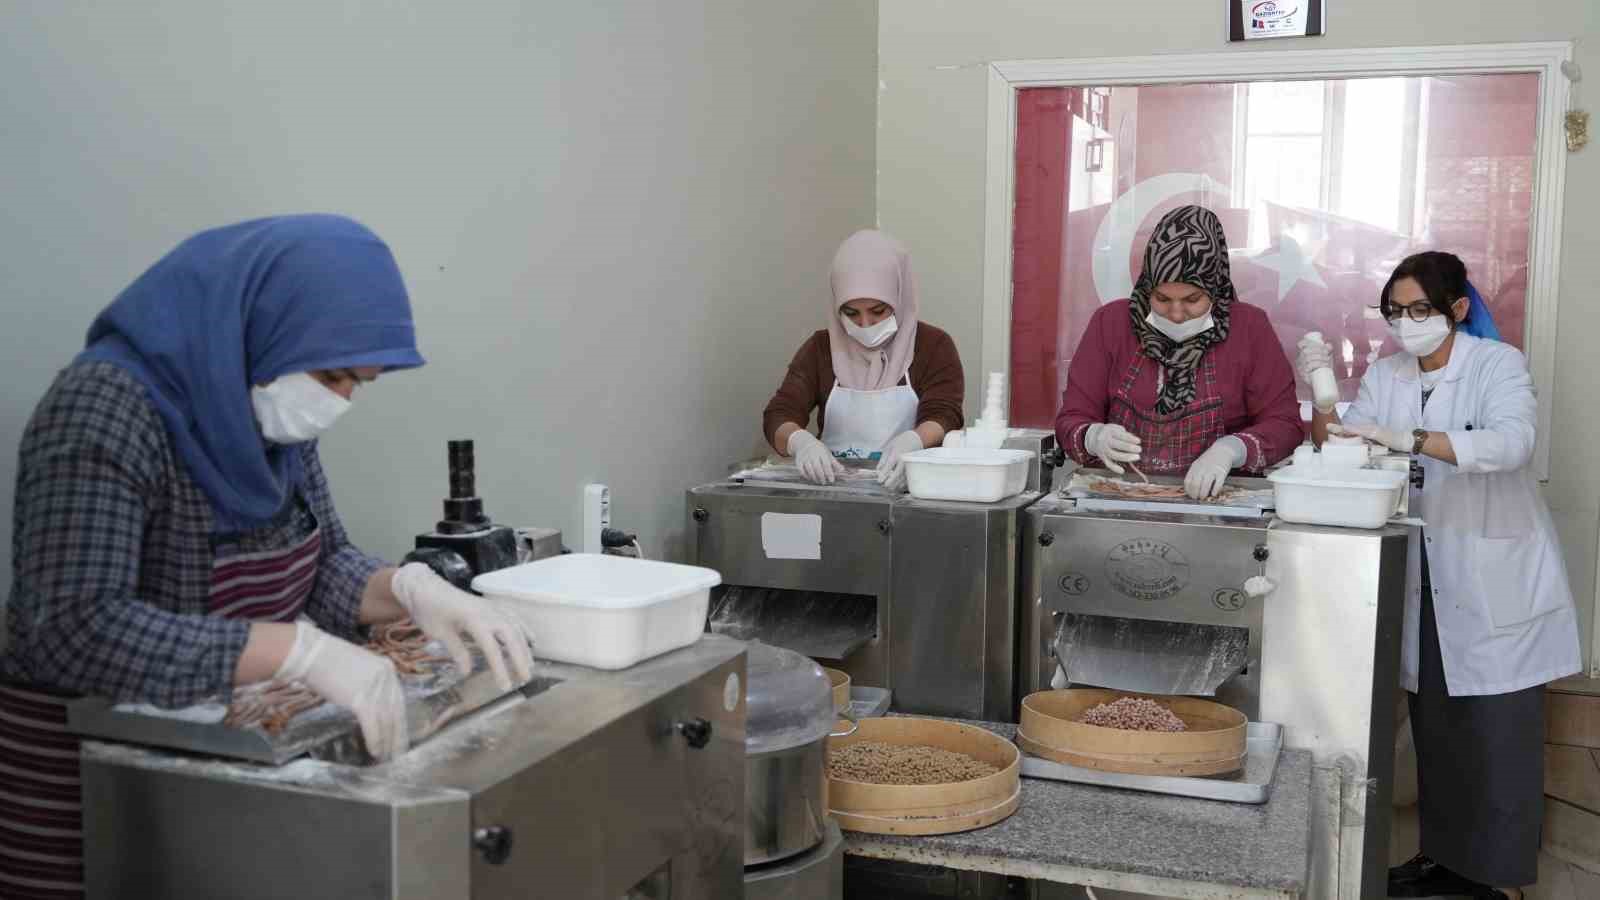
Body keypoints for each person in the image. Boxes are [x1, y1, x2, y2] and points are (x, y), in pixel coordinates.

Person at [0, 215, 536, 899]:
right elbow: (71, 631)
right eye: (333, 376)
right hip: (94, 789)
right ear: (258, 331)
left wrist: (412, 590)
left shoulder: (268, 415)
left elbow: (323, 562)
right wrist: (298, 654)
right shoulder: (103, 411)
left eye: (357, 385)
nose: (338, 402)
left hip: (214, 771)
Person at [1297, 251, 1578, 900]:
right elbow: (1339, 448)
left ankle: (1498, 881)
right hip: (1425, 571)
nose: (1405, 323)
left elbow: (1512, 444)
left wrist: (1412, 440)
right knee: (1438, 731)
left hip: (1492, 570)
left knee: (1496, 736)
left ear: (1456, 309)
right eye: (1394, 311)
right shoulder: (1389, 372)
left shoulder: (1496, 365)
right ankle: (1444, 861)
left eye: (1420, 309)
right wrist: (1322, 393)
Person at [1055, 205, 1303, 497]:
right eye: (1161, 298)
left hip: (1218, 500)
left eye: (1192, 299)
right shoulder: (1110, 324)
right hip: (1116, 494)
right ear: (1147, 286)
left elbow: (1285, 424)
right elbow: (1072, 417)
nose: (1175, 313)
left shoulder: (1249, 328)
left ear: (1215, 288)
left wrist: (1232, 450)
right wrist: (1091, 436)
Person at [762, 230, 964, 491]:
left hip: (909, 490)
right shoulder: (820, 349)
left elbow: (945, 414)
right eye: (851, 313)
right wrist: (801, 443)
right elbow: (779, 414)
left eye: (877, 311)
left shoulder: (933, 346)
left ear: (899, 298)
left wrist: (913, 442)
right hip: (836, 490)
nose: (865, 324)